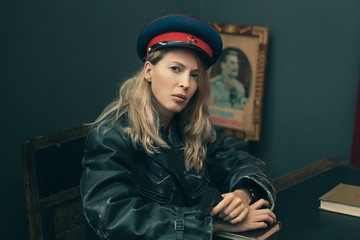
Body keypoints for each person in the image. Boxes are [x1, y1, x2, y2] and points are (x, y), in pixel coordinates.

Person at [80, 14, 276, 240]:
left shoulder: (192, 125)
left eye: (194, 75)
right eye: (175, 69)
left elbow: (244, 163)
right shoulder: (110, 134)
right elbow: (114, 217)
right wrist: (212, 224)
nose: (186, 83)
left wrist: (243, 194)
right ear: (148, 71)